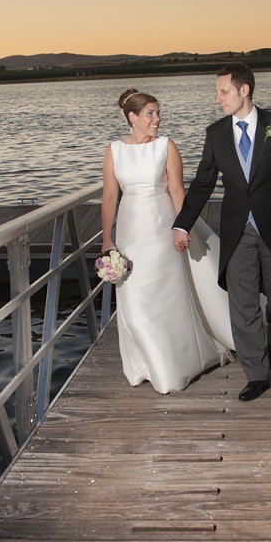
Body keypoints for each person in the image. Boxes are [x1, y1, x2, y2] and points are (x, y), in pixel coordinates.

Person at [173, 63, 271, 403]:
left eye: (223, 92)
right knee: (242, 304)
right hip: (237, 231)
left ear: (243, 90)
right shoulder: (216, 133)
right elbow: (203, 183)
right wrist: (182, 223)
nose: (217, 99)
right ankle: (257, 374)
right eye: (218, 92)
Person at [100, 88, 229, 395]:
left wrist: (182, 228)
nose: (157, 119)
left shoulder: (166, 147)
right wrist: (107, 238)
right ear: (133, 117)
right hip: (130, 231)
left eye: (158, 113)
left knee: (166, 295)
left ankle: (173, 365)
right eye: (150, 114)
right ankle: (144, 363)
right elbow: (108, 196)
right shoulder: (114, 151)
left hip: (162, 228)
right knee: (134, 299)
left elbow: (177, 192)